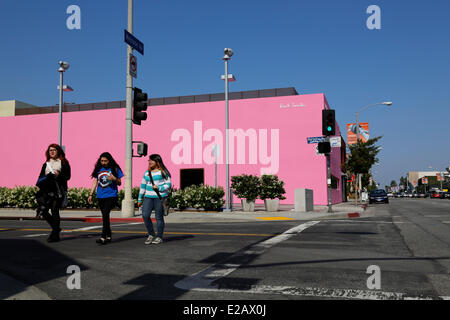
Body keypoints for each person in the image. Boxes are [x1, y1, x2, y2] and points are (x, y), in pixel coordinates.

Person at [35, 144, 71, 243]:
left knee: (55, 211)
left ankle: (55, 234)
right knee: (43, 210)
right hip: (46, 191)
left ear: (58, 151)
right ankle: (56, 228)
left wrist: (59, 174)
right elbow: (39, 179)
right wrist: (46, 176)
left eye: (54, 150)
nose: (52, 152)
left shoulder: (63, 163)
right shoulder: (46, 164)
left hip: (58, 190)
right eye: (50, 150)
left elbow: (68, 176)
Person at [88, 152, 124, 245]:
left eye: (105, 161)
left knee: (105, 215)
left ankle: (103, 237)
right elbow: (95, 182)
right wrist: (91, 194)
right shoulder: (99, 169)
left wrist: (114, 179)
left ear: (109, 160)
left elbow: (119, 183)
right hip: (100, 196)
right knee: (105, 216)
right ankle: (108, 236)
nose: (103, 162)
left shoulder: (115, 168)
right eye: (102, 161)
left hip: (111, 195)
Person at [138, 154, 172, 245]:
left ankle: (159, 236)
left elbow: (168, 184)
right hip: (148, 197)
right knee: (145, 215)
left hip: (160, 198)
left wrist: (159, 188)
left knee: (158, 218)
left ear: (157, 162)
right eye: (149, 160)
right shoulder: (147, 173)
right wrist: (139, 198)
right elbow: (143, 186)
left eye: (151, 160)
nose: (149, 162)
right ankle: (151, 234)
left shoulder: (163, 172)